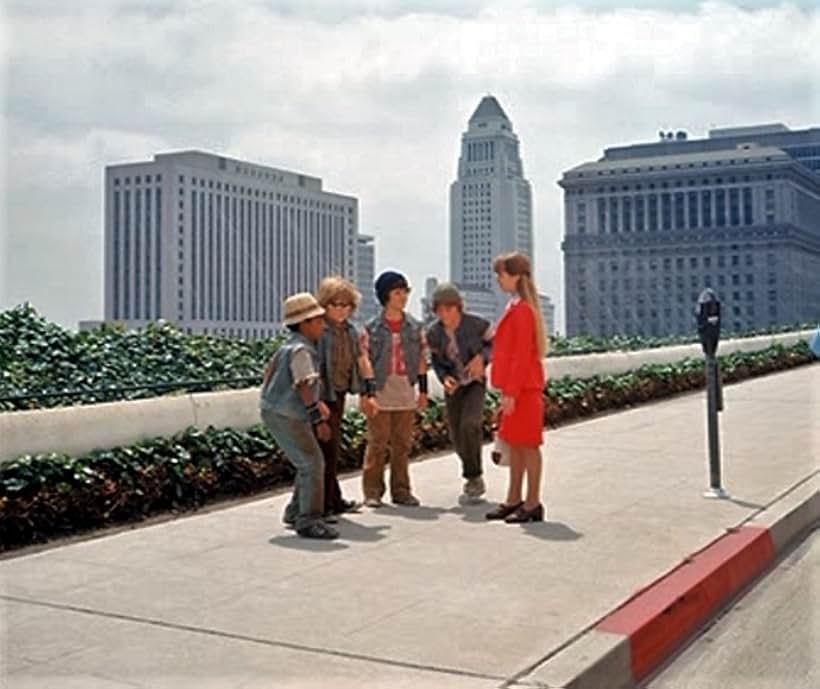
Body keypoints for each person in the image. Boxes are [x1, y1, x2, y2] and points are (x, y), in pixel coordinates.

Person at [259, 292, 338, 540]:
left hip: (275, 410)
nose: (322, 326)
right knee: (313, 463)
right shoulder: (303, 350)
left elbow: (267, 375)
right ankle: (309, 519)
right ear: (304, 324)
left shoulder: (287, 347)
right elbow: (304, 384)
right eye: (317, 321)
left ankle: (295, 511)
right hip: (288, 414)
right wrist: (318, 418)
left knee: (305, 463)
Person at [485, 252, 548, 524]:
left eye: (502, 274)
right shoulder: (517, 306)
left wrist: (511, 392)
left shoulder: (522, 311)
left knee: (528, 446)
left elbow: (522, 354)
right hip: (516, 388)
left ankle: (532, 501)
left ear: (516, 276)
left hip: (523, 390)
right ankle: (514, 498)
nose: (499, 279)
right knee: (517, 445)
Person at [359, 270, 428, 507]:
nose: (403, 297)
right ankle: (372, 492)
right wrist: (367, 393)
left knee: (402, 444)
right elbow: (364, 360)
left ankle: (401, 491)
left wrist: (423, 391)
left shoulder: (415, 327)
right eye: (397, 292)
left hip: (405, 389)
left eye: (405, 291)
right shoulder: (372, 328)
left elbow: (421, 359)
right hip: (380, 389)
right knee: (377, 443)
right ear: (385, 295)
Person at [315, 276, 377, 520]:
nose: (340, 310)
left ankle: (332, 500)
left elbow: (362, 360)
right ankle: (320, 506)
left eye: (346, 305)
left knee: (331, 450)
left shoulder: (351, 331)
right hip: (319, 396)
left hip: (338, 393)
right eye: (335, 304)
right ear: (325, 304)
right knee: (322, 452)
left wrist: (368, 391)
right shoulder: (317, 329)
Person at [426, 282, 493, 504]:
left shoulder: (476, 325)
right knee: (456, 435)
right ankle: (471, 470)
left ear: (459, 307)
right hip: (454, 386)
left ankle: (474, 478)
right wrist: (445, 378)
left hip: (474, 382)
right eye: (440, 310)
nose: (445, 314)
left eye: (449, 308)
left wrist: (480, 358)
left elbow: (494, 343)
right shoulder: (434, 333)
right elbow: (436, 362)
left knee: (470, 424)